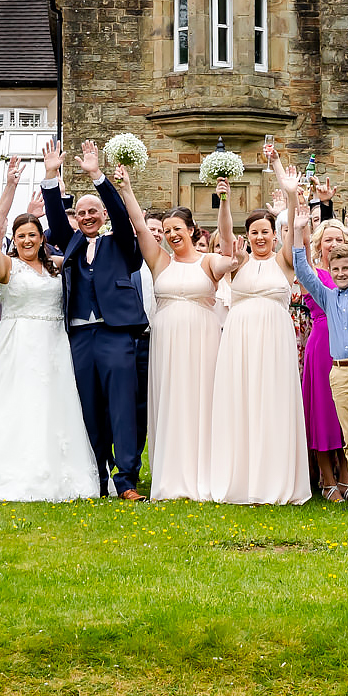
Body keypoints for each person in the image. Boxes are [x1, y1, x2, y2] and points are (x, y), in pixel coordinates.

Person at [0, 181, 98, 501]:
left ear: (42, 238)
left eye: (32, 234)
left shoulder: (56, 267)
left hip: (53, 344)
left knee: (52, 405)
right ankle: (4, 467)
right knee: (15, 403)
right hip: (17, 344)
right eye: (21, 235)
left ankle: (55, 469)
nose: (27, 240)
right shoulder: (6, 264)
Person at [40, 138, 148, 500]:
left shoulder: (120, 243)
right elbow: (55, 219)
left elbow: (121, 214)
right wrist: (51, 175)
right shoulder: (69, 243)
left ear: (102, 216)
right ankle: (95, 476)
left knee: (122, 407)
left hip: (115, 334)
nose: (87, 216)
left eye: (93, 212)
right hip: (80, 337)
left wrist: (97, 175)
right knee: (87, 407)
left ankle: (127, 479)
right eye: (82, 212)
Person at [122, 175, 235, 502]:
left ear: (192, 230)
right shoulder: (159, 262)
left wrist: (225, 202)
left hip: (203, 341)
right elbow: (142, 229)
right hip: (167, 343)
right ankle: (171, 476)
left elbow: (227, 248)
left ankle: (205, 474)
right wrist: (128, 187)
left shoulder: (208, 262)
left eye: (177, 228)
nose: (171, 234)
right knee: (171, 401)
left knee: (202, 402)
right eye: (167, 230)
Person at [204, 174, 312, 506]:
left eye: (266, 231)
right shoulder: (238, 262)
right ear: (248, 237)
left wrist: (293, 198)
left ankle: (274, 480)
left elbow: (293, 230)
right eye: (254, 232)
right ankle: (241, 478)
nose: (261, 236)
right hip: (239, 339)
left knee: (273, 402)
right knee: (241, 401)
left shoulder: (285, 261)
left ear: (273, 236)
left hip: (276, 339)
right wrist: (224, 200)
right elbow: (224, 234)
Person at [286, 186, 348, 510]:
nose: (342, 273)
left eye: (347, 268)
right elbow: (303, 272)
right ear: (331, 271)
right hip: (339, 372)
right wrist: (300, 231)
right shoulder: (327, 297)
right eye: (337, 269)